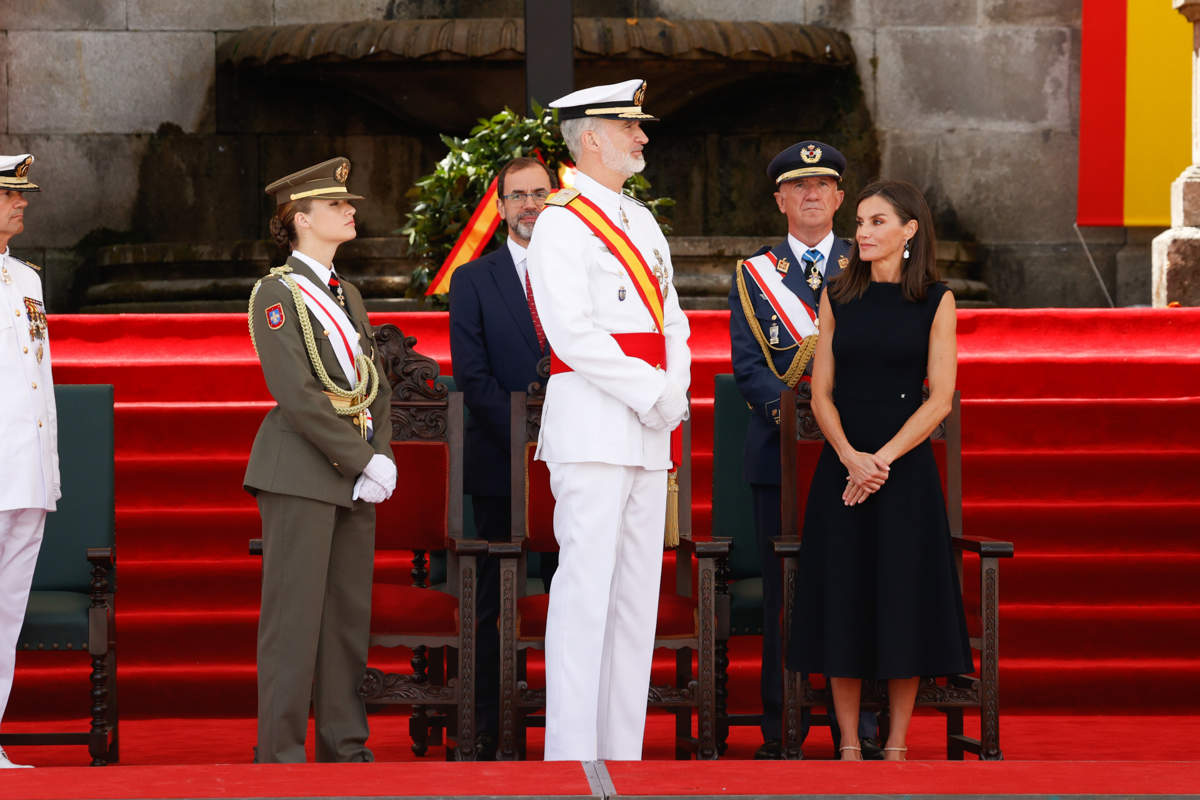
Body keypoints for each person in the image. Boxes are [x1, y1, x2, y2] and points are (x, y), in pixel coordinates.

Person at [526, 79, 691, 761]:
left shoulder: (640, 219)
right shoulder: (560, 223)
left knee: (634, 601)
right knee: (585, 593)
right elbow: (573, 336)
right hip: (594, 430)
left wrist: (674, 388)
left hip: (649, 435)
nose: (643, 138)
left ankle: (623, 753)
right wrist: (656, 393)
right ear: (591, 136)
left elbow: (672, 317)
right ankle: (571, 756)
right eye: (631, 128)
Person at [788, 179, 972, 761]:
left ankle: (895, 745)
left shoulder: (937, 299)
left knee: (902, 597)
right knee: (842, 594)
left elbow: (940, 398)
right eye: (860, 222)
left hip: (903, 473)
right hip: (842, 470)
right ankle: (846, 743)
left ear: (909, 230)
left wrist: (882, 461)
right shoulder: (837, 294)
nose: (862, 233)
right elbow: (820, 395)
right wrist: (849, 457)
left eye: (875, 222)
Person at [728, 140, 879, 758]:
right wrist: (798, 418)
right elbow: (747, 366)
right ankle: (778, 721)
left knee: (859, 584)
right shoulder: (754, 273)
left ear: (841, 197)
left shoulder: (871, 259)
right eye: (799, 185)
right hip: (781, 457)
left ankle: (863, 724)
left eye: (823, 185)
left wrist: (851, 425)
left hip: (859, 455)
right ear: (780, 199)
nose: (812, 194)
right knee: (782, 594)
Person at [243, 157, 396, 763]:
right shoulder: (276, 294)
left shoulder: (347, 293)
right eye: (336, 205)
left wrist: (378, 457)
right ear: (300, 219)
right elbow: (298, 396)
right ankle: (279, 754)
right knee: (293, 621)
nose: (349, 209)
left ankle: (345, 746)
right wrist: (363, 460)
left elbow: (372, 383)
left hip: (354, 475)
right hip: (301, 474)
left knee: (345, 623)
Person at [448, 156, 557, 758]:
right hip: (499, 465)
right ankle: (489, 726)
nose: (530, 205)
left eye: (540, 193)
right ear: (499, 207)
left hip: (576, 465)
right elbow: (471, 376)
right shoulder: (473, 280)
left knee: (574, 596)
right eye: (518, 196)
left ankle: (568, 721)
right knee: (492, 604)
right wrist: (528, 437)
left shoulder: (581, 271)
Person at [0, 154, 57, 770]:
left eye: (22, 195)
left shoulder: (28, 280)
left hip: (27, 471)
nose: (22, 203)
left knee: (7, 611)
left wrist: (50, 469)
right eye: (10, 194)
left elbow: (38, 380)